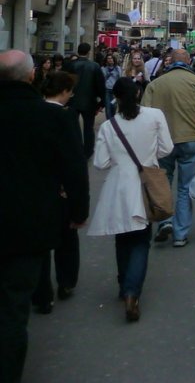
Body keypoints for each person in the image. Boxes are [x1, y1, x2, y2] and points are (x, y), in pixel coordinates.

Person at [0, 50, 89, 383]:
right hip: (28, 226)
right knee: (13, 310)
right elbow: (74, 170)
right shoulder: (54, 118)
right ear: (31, 76)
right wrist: (78, 212)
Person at [89, 78, 173, 322]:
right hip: (145, 185)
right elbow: (166, 148)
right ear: (138, 93)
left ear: (115, 97)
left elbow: (100, 162)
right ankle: (132, 292)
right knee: (140, 240)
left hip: (118, 188)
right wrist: (148, 156)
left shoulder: (109, 125)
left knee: (122, 238)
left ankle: (123, 284)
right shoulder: (155, 115)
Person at [141, 49, 195, 248]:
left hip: (162, 143)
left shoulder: (155, 85)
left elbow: (144, 115)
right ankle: (180, 234)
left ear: (169, 62)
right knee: (185, 188)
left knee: (163, 183)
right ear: (188, 62)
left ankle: (165, 221)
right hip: (190, 141)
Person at [31, 71, 86, 316]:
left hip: (36, 189)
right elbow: (74, 162)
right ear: (64, 92)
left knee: (40, 244)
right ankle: (65, 281)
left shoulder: (31, 111)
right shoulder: (66, 117)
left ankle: (42, 294)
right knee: (66, 238)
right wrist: (80, 206)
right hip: (60, 190)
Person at [66, 43, 105, 160]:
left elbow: (66, 82)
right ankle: (88, 151)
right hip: (89, 101)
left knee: (73, 127)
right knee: (89, 128)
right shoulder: (95, 66)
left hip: (72, 100)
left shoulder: (70, 65)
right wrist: (101, 102)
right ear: (88, 52)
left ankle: (74, 148)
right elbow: (100, 85)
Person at [101, 53, 122, 119]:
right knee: (108, 107)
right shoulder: (103, 68)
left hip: (115, 90)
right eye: (108, 58)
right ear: (106, 60)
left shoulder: (118, 68)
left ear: (114, 59)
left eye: (111, 58)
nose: (110, 60)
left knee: (114, 106)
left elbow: (120, 78)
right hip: (107, 90)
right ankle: (109, 121)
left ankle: (112, 119)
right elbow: (101, 79)